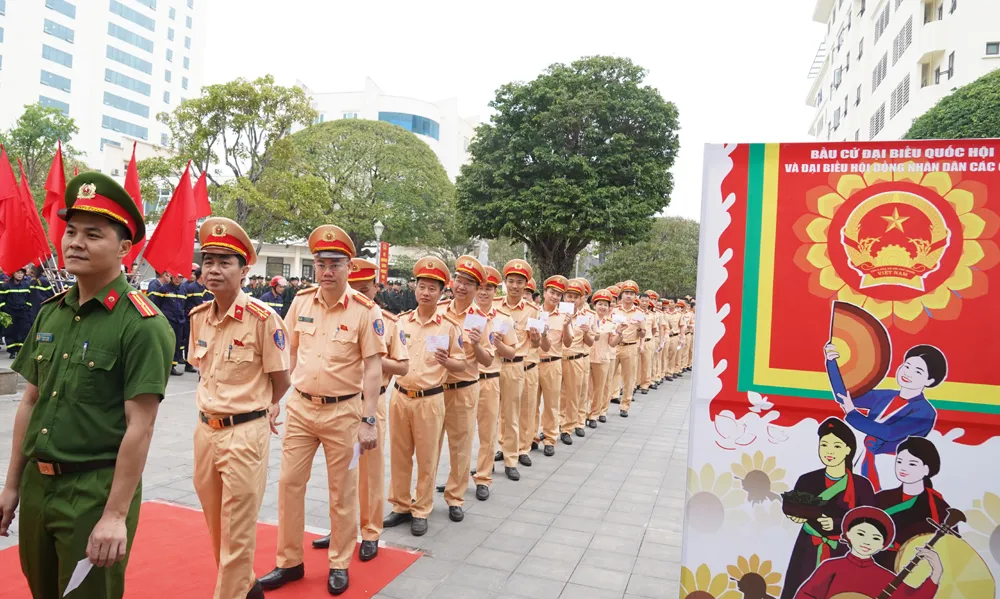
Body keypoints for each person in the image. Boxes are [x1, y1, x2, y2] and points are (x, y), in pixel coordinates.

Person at [0, 171, 174, 598]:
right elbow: (31, 401)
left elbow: (141, 426)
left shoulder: (142, 324)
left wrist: (115, 514)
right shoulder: (51, 312)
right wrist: (12, 486)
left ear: (124, 249)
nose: (75, 242)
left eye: (92, 234)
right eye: (71, 231)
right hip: (40, 487)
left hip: (93, 491)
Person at [258, 225, 384, 595]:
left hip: (343, 413)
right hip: (300, 408)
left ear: (348, 267)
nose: (327, 271)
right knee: (288, 485)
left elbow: (374, 367)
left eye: (335, 264)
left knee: (342, 491)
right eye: (321, 263)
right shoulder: (301, 302)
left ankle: (339, 562)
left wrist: (369, 419)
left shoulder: (365, 310)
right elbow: (288, 352)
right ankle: (289, 562)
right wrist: (275, 399)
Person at [188, 217, 292, 599]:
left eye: (224, 262)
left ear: (244, 270)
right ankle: (248, 589)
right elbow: (202, 372)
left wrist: (265, 406)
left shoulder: (264, 319)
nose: (213, 269)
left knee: (237, 529)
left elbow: (281, 379)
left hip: (244, 433)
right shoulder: (199, 318)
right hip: (206, 431)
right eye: (208, 260)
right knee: (216, 523)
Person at [312, 258, 410, 561]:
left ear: (376, 288)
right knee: (340, 473)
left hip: (372, 402)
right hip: (340, 402)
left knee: (368, 471)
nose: (358, 294)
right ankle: (340, 529)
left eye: (365, 289)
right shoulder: (334, 315)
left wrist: (374, 358)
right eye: (354, 288)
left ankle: (370, 531)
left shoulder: (389, 322)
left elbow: (404, 367)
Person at [382, 257, 466, 537]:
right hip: (400, 396)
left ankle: (421, 509)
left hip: (430, 399)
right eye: (421, 286)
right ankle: (400, 505)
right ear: (414, 288)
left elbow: (461, 364)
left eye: (432, 288)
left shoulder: (449, 326)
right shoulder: (401, 322)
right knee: (399, 454)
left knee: (427, 458)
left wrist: (447, 362)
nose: (426, 292)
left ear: (442, 292)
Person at [825, 342, 944, 491]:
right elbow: (843, 396)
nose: (908, 373)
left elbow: (889, 433)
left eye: (918, 371)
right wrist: (832, 363)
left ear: (930, 381)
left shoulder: (925, 411)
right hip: (861, 458)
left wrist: (852, 413)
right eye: (907, 366)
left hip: (892, 469)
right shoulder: (885, 396)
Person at [780, 418, 877, 599]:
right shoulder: (807, 480)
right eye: (824, 445)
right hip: (809, 546)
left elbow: (870, 521)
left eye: (837, 446)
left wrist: (838, 523)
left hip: (844, 551)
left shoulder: (862, 486)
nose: (829, 451)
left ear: (848, 450)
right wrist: (795, 515)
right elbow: (792, 504)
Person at [430, 256, 494, 523]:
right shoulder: (438, 309)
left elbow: (488, 360)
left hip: (464, 388)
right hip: (433, 388)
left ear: (477, 288)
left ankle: (455, 497)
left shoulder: (479, 318)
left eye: (469, 283)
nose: (462, 287)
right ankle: (421, 495)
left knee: (460, 447)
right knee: (429, 445)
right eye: (459, 280)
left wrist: (477, 344)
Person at [793, 506, 942, 599]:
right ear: (848, 534)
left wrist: (936, 573)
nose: (867, 542)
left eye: (876, 538)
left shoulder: (886, 577)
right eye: (861, 534)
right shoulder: (831, 567)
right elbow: (807, 595)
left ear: (883, 545)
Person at [494, 260, 544, 478]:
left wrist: (536, 339)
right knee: (492, 415)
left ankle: (511, 459)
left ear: (526, 286)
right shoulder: (493, 306)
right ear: (505, 283)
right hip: (492, 365)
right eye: (511, 281)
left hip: (516, 366)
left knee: (513, 414)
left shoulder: (533, 311)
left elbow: (536, 345)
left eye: (519, 282)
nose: (514, 286)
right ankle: (499, 449)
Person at [470, 267, 516, 501]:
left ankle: (483, 476)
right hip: (461, 381)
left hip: (489, 379)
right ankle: (454, 478)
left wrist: (498, 344)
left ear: (496, 290)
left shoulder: (503, 319)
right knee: (458, 435)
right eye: (480, 287)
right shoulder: (460, 314)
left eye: (489, 288)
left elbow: (510, 353)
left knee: (487, 433)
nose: (484, 292)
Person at [874, 436, 951, 571]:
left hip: (915, 569)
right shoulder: (881, 498)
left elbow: (947, 547)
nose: (903, 468)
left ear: (927, 469)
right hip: (878, 565)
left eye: (912, 464)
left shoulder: (939, 507)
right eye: (899, 462)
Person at [559, 278, 593, 442]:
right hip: (557, 359)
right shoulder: (556, 314)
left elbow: (591, 342)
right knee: (556, 395)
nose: (571, 299)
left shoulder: (585, 317)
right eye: (568, 296)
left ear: (581, 299)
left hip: (575, 359)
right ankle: (556, 424)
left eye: (575, 296)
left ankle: (568, 428)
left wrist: (586, 333)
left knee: (573, 395)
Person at [586, 290, 624, 428]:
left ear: (609, 307)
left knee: (599, 388)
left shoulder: (611, 323)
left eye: (605, 305)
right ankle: (583, 413)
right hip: (586, 357)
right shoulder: (588, 319)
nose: (602, 307)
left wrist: (619, 334)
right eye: (599, 304)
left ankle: (594, 414)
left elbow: (612, 343)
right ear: (594, 305)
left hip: (602, 359)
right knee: (585, 388)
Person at [611, 281, 644, 417]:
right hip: (614, 346)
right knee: (608, 376)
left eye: (631, 294)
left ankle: (625, 405)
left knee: (628, 378)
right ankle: (601, 407)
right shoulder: (614, 311)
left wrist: (639, 328)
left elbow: (643, 333)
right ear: (622, 295)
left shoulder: (639, 313)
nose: (628, 296)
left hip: (630, 347)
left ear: (635, 296)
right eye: (626, 293)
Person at [148, 272, 188, 376]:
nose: (177, 279)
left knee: (177, 343)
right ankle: (163, 365)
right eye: (176, 276)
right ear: (171, 276)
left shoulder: (183, 290)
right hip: (167, 320)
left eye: (180, 277)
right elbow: (157, 304)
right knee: (166, 343)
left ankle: (172, 365)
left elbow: (184, 306)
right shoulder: (163, 289)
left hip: (179, 321)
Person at [1, 268, 33, 359]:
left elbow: (29, 299)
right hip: (10, 313)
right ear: (13, 273)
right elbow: (1, 300)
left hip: (23, 312)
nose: (20, 275)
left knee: (23, 331)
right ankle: (12, 351)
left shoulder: (26, 285)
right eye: (17, 272)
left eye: (21, 273)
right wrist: (6, 310)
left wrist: (27, 307)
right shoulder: (5, 286)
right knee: (11, 332)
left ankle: (20, 350)